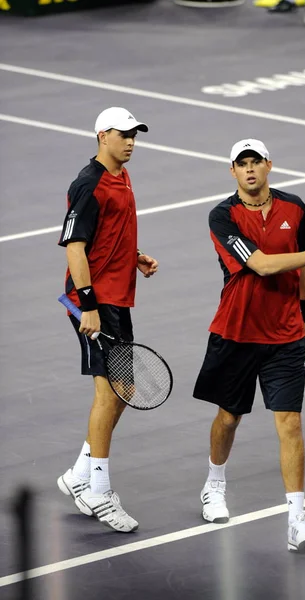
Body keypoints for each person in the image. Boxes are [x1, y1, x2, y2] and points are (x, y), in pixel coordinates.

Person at [193, 139, 305, 552]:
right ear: (232, 172)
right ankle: (214, 484)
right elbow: (263, 265)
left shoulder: (295, 207)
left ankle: (297, 520)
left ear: (269, 166)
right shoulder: (222, 216)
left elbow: (302, 268)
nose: (249, 170)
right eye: (241, 164)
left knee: (290, 423)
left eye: (256, 162)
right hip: (236, 332)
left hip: (285, 334)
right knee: (229, 418)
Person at [57, 107, 158, 533]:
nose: (131, 141)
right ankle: (97, 490)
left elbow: (108, 233)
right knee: (109, 391)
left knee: (125, 389)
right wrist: (89, 304)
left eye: (135, 134)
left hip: (117, 298)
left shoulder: (121, 174)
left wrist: (134, 258)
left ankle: (80, 472)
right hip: (95, 301)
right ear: (102, 136)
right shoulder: (90, 183)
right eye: (124, 135)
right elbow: (74, 246)